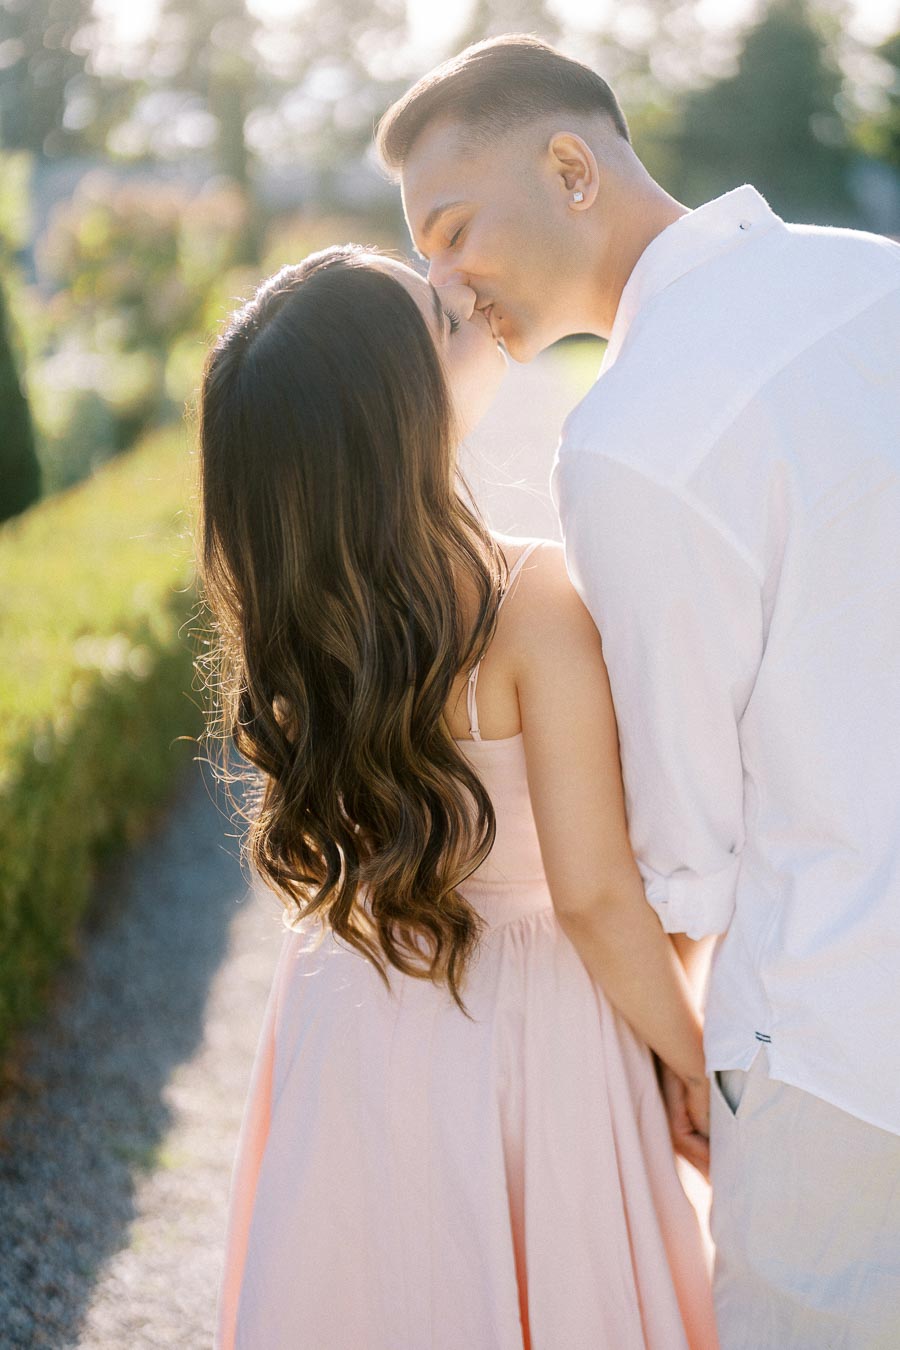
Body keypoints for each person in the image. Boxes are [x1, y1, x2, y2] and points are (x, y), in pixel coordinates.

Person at [376, 31, 900, 1349]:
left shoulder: (627, 437)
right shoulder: (878, 280)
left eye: (450, 229)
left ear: (569, 167)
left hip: (834, 1043)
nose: (439, 282)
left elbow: (684, 841)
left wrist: (669, 1046)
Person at [200, 243, 719, 1348]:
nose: (470, 302)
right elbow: (593, 896)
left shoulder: (300, 618)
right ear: (396, 416)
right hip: (537, 1028)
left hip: (356, 1009)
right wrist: (696, 1062)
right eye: (441, 317)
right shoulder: (532, 599)